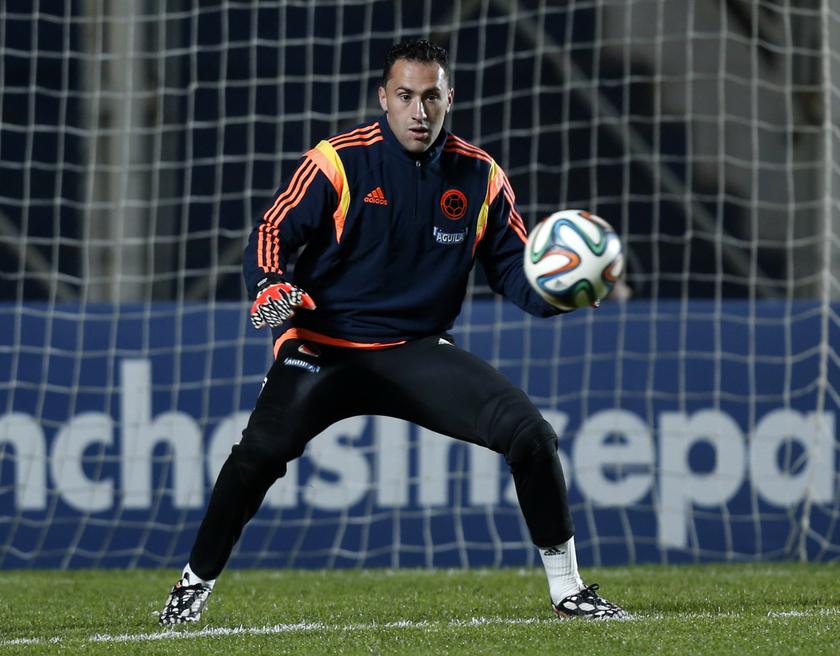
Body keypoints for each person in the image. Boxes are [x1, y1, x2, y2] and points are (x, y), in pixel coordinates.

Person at [158, 39, 627, 625]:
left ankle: (569, 590)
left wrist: (562, 293)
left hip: (415, 350)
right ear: (384, 98)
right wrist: (270, 284)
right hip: (323, 348)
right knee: (258, 455)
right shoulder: (338, 160)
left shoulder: (481, 177)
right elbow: (273, 229)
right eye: (405, 96)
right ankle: (192, 586)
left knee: (531, 435)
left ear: (450, 99)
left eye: (431, 97)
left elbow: (515, 274)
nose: (418, 111)